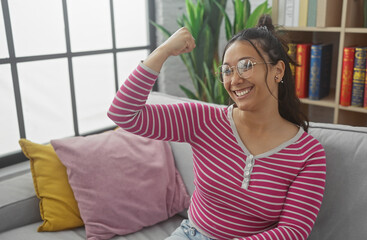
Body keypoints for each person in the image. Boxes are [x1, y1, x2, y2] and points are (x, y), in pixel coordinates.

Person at [108, 15, 326, 240]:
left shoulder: (308, 154)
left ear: (278, 71)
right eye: (227, 70)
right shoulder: (204, 121)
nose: (235, 79)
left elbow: (293, 232)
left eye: (246, 65)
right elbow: (123, 113)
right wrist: (163, 51)